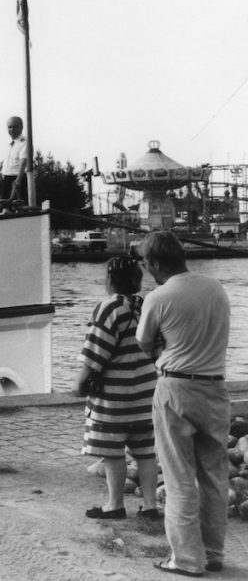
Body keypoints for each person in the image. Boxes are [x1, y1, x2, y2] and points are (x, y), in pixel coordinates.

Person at [135, 231, 230, 577]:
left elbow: (144, 344)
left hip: (176, 388)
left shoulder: (159, 297)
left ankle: (187, 560)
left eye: (146, 265)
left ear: (157, 263)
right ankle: (213, 552)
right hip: (216, 388)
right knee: (215, 478)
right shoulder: (215, 287)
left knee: (178, 479)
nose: (146, 271)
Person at [71, 256, 159, 522]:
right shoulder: (145, 306)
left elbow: (94, 354)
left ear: (109, 279)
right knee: (145, 452)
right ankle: (150, 505)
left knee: (112, 453)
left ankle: (115, 504)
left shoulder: (108, 309)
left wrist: (79, 384)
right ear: (137, 280)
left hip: (114, 400)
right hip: (146, 394)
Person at [2, 116, 29, 202]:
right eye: (9, 127)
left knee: (18, 206)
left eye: (14, 127)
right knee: (5, 207)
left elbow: (24, 161)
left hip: (17, 178)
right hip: (7, 178)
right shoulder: (11, 144)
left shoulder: (24, 142)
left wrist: (18, 180)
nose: (12, 129)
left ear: (21, 127)